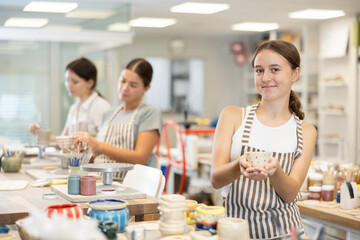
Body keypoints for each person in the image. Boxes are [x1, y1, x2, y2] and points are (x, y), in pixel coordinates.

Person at [211, 40, 317, 239]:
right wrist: (238, 166)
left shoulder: (306, 131)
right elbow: (216, 179)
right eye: (259, 70)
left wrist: (275, 171)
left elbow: (290, 194)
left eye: (274, 69)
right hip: (236, 232)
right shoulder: (233, 116)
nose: (266, 78)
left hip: (285, 233)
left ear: (295, 74)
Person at [73, 58, 162, 179]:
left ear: (146, 88)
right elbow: (100, 157)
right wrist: (84, 151)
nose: (125, 88)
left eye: (133, 85)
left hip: (127, 185)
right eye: (122, 81)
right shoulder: (109, 113)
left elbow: (140, 158)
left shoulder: (149, 113)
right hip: (99, 180)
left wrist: (97, 144)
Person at [29, 57, 111, 141]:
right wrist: (40, 134)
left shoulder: (101, 106)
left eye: (74, 82)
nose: (68, 85)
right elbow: (63, 141)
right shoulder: (74, 108)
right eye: (67, 80)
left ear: (90, 83)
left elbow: (106, 143)